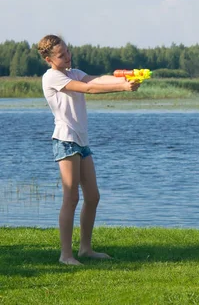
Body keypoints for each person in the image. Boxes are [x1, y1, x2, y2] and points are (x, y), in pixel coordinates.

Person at [38, 34, 140, 266]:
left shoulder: (73, 72)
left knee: (92, 197)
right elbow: (88, 89)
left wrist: (123, 78)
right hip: (65, 141)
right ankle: (66, 255)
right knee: (71, 198)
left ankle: (85, 249)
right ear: (48, 59)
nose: (67, 57)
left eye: (67, 51)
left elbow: (96, 79)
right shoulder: (52, 77)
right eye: (61, 55)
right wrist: (123, 88)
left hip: (82, 143)